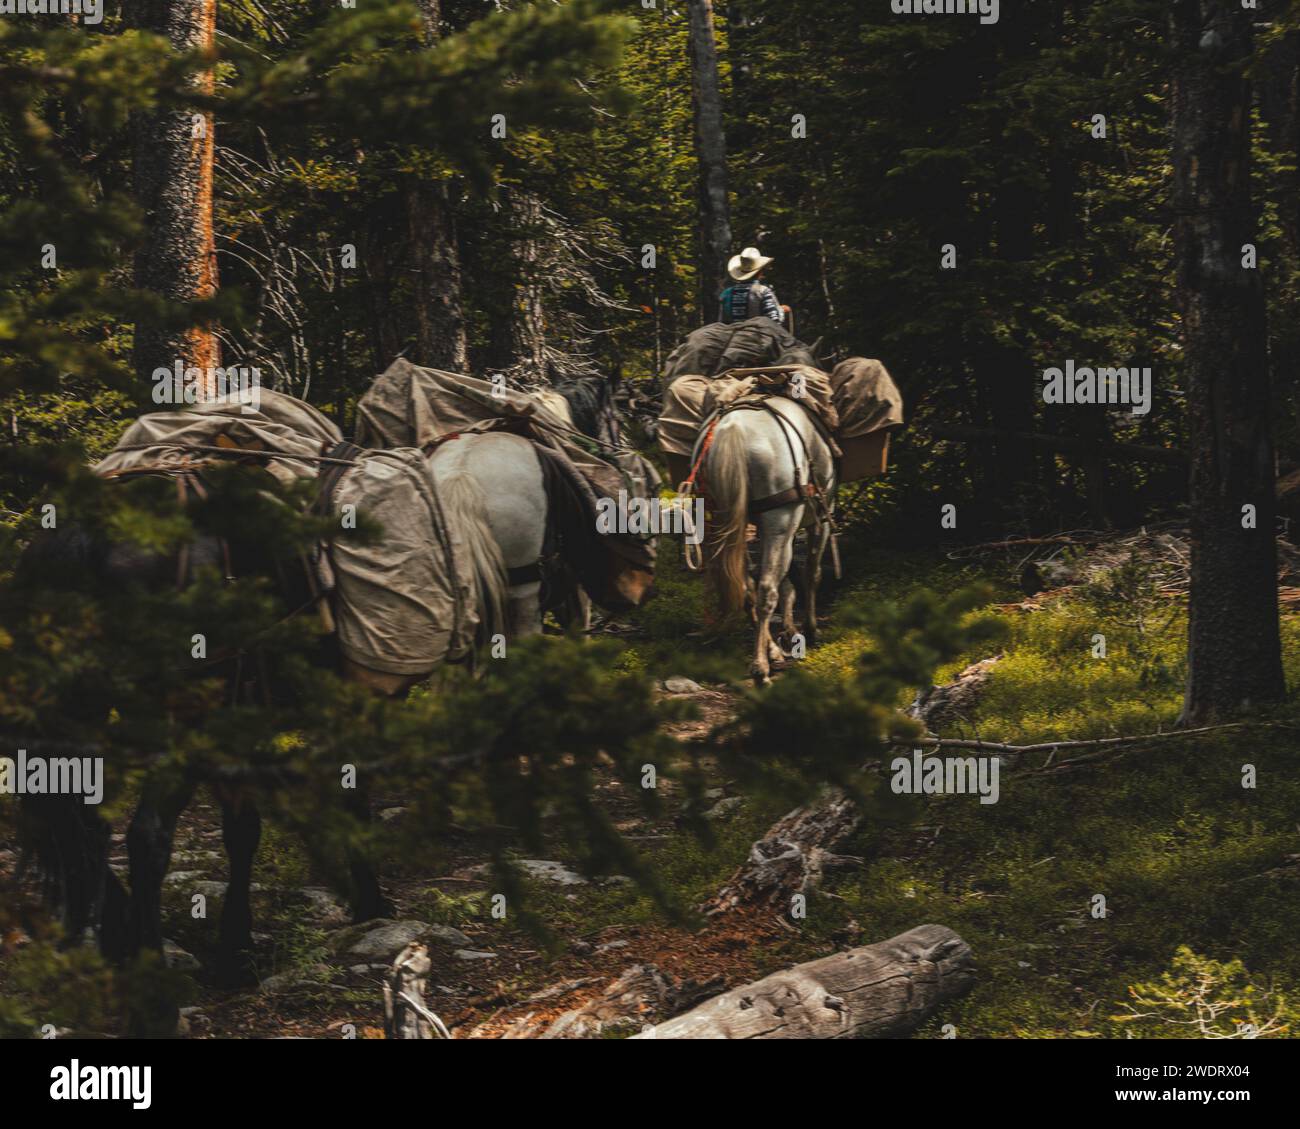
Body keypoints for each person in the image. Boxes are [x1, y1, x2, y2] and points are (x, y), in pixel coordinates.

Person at [718, 246, 785, 325]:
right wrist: (781, 311)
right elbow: (774, 320)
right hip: (758, 335)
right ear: (760, 272)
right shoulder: (763, 292)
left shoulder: (726, 293)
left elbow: (722, 322)